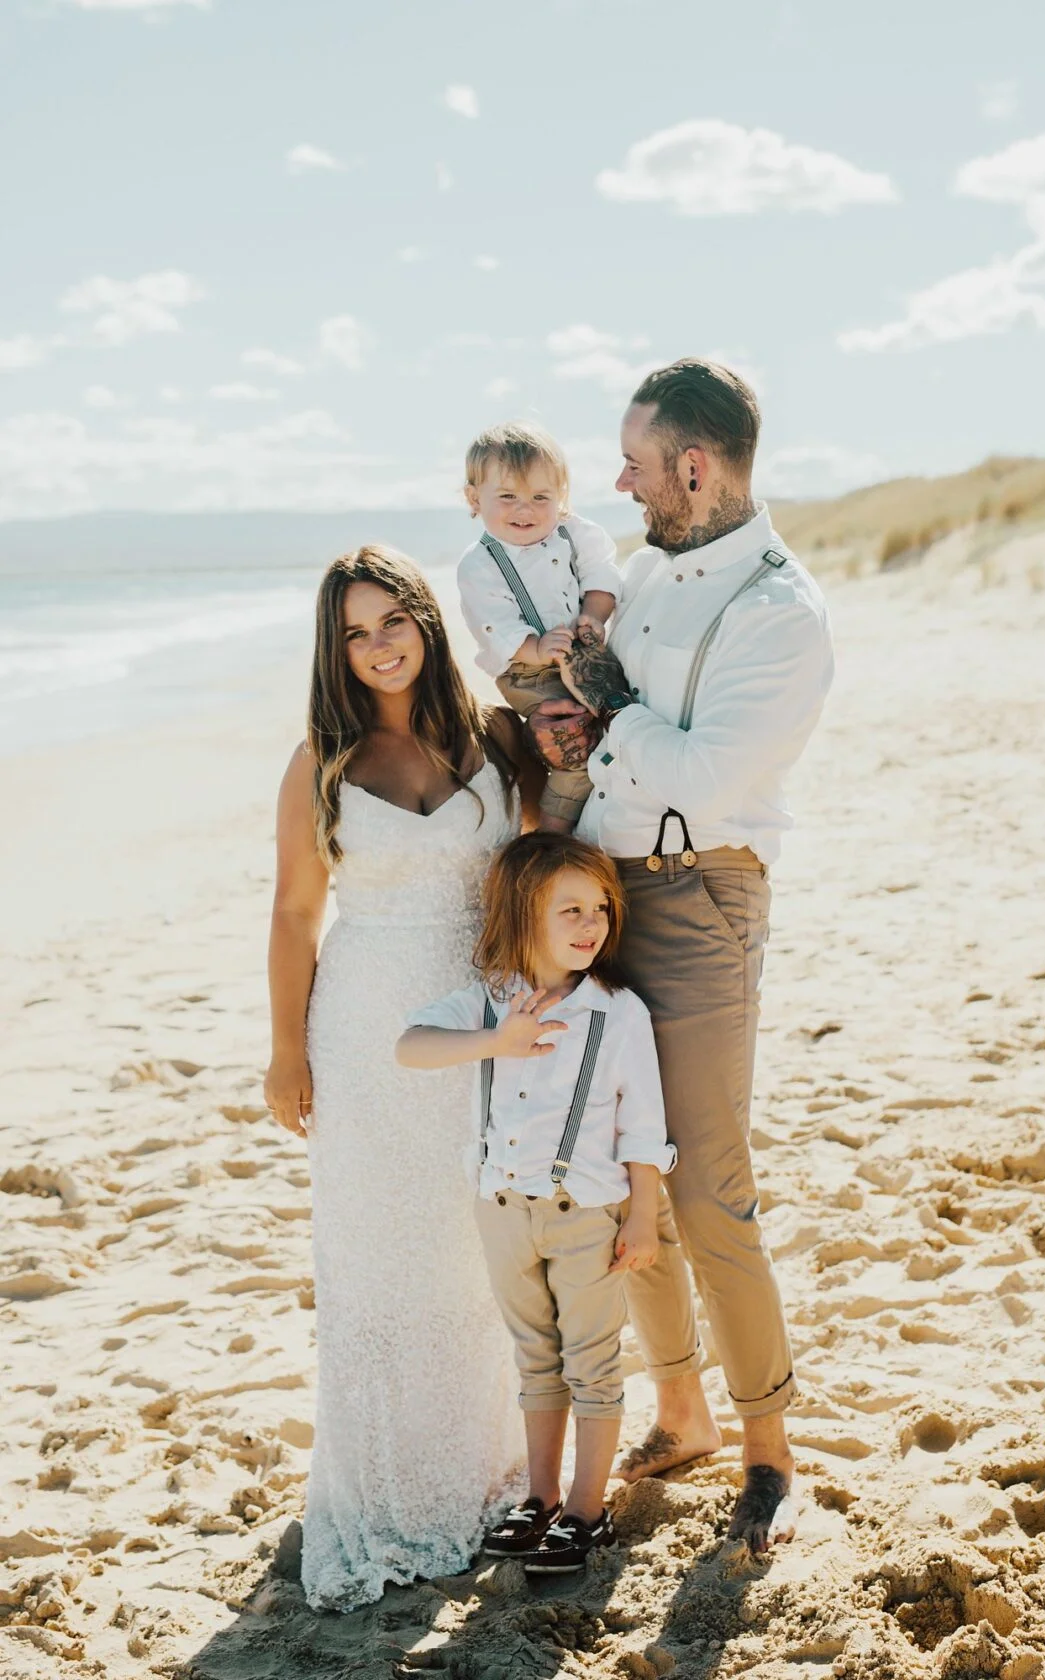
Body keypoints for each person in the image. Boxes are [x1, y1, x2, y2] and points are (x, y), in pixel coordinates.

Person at [530, 358, 835, 1554]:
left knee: (707, 1187)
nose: (620, 483)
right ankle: (682, 1413)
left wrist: (612, 715)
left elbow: (706, 779)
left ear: (694, 467)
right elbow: (634, 742)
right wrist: (577, 720)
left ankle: (769, 1451)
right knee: (625, 1170)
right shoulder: (649, 571)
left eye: (636, 463)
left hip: (702, 895)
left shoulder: (780, 611)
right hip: (606, 895)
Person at [263, 545, 544, 1612]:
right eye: (354, 633)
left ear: (426, 620)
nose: (378, 646)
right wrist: (286, 1051)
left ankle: (484, 1468)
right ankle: (386, 1490)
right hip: (365, 1033)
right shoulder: (320, 762)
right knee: (380, 1262)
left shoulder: (496, 739)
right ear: (334, 651)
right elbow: (296, 914)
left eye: (393, 621)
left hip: (481, 1024)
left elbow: (543, 857)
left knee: (473, 1253)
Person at [396, 832, 676, 1575]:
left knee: (592, 1361)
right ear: (523, 915)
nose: (591, 925)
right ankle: (542, 1496)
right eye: (570, 910)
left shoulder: (618, 1012)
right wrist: (497, 1042)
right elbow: (410, 1047)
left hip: (585, 1215)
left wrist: (642, 1215)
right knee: (535, 1357)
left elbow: (644, 1125)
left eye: (600, 909)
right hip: (501, 1211)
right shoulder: (490, 998)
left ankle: (586, 1507)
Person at [458, 422, 623, 832]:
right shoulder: (481, 564)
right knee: (574, 745)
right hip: (529, 671)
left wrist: (594, 615)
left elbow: (602, 572)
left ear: (560, 497)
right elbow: (496, 627)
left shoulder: (574, 532)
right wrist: (536, 647)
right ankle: (552, 836)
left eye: (540, 497)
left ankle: (612, 818)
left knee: (623, 724)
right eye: (507, 497)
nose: (525, 510)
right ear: (474, 499)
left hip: (583, 652)